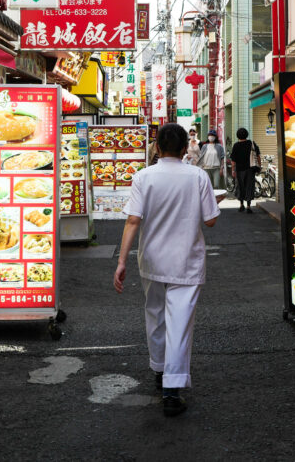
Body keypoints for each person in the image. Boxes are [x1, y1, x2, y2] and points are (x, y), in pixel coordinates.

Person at [114, 123, 221, 417]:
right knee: (180, 322)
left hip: (151, 260)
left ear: (157, 148)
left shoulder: (143, 177)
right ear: (186, 148)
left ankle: (160, 370)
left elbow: (133, 221)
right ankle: (172, 391)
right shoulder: (197, 176)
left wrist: (122, 261)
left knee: (156, 316)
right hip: (186, 260)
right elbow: (210, 221)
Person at [228, 127, 261, 213]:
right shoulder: (251, 143)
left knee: (240, 187)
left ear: (237, 136)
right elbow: (258, 156)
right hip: (250, 169)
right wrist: (259, 166)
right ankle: (249, 206)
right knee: (249, 187)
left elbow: (233, 161)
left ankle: (241, 205)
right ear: (247, 134)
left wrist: (233, 171)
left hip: (239, 170)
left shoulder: (236, 145)